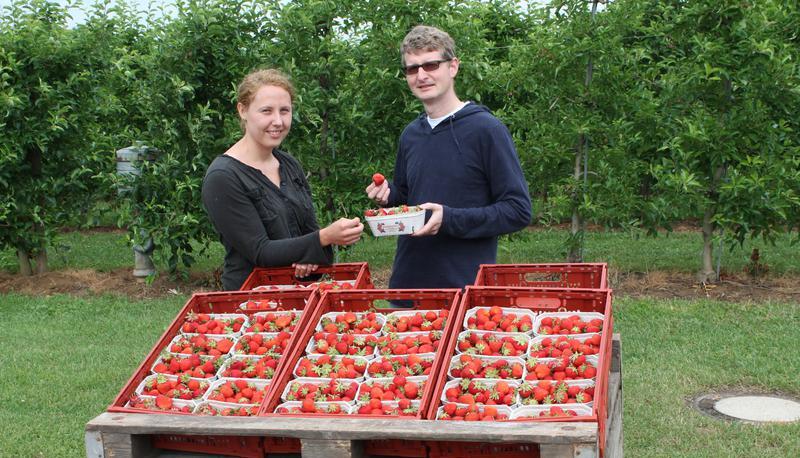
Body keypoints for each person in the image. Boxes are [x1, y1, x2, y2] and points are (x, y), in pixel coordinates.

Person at [366, 25, 532, 289]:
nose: (421, 75)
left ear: (453, 67)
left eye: (431, 65)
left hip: (463, 290)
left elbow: (518, 210)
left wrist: (449, 218)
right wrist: (389, 195)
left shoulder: (486, 130)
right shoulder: (411, 135)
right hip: (408, 286)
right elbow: (410, 200)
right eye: (412, 68)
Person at [203, 68, 363, 290]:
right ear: (243, 110)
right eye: (266, 111)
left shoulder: (288, 164)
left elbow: (308, 230)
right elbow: (260, 251)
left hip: (299, 296)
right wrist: (324, 238)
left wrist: (310, 256)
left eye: (284, 111)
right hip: (252, 304)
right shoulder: (223, 177)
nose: (278, 121)